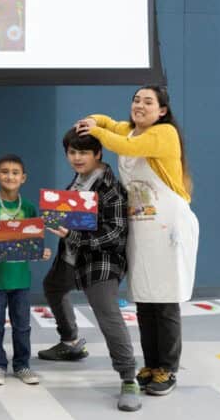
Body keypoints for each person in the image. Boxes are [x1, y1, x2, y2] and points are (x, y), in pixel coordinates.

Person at [76, 85, 199, 397]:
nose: (139, 106)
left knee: (166, 300)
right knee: (145, 299)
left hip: (168, 225)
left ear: (161, 111)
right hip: (140, 228)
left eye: (148, 102)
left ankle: (168, 368)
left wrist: (99, 131)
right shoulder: (129, 131)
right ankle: (151, 364)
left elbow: (122, 145)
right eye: (135, 100)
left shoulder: (165, 133)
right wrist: (92, 119)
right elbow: (110, 124)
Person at [37, 129, 141, 412]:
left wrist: (71, 235)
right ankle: (70, 342)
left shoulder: (110, 188)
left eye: (83, 152)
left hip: (100, 261)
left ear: (98, 154)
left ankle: (128, 377)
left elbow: (116, 234)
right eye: (72, 152)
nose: (77, 157)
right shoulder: (80, 180)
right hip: (72, 257)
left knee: (108, 315)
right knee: (54, 286)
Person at [0, 154, 49, 386]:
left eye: (15, 172)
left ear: (24, 178)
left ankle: (22, 365)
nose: (10, 176)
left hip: (20, 279)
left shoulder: (28, 207)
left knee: (22, 325)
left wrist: (41, 251)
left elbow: (33, 240)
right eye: (5, 171)